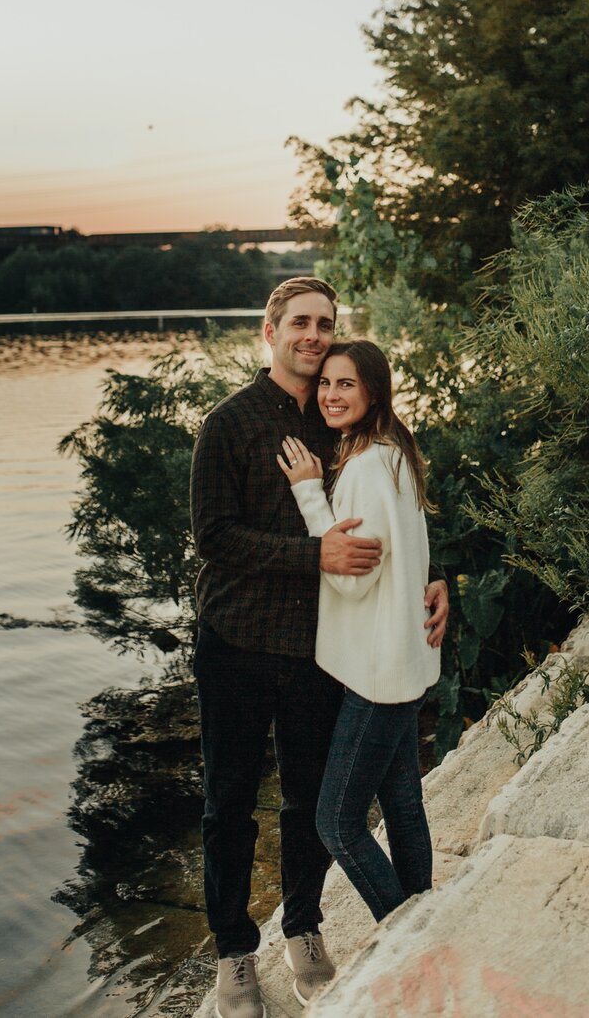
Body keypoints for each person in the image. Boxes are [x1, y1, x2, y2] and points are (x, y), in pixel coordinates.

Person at [190, 280, 449, 1018]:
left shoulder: (344, 417)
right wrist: (316, 559)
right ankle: (235, 954)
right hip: (236, 642)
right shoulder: (229, 424)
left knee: (309, 803)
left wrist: (430, 580)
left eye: (325, 325)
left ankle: (302, 929)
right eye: (300, 323)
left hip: (318, 654)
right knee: (229, 804)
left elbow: (388, 517)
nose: (313, 335)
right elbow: (212, 538)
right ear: (269, 331)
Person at [276, 338, 441, 931]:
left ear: (372, 391)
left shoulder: (364, 470)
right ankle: (424, 919)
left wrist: (308, 494)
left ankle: (400, 932)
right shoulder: (396, 453)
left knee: (336, 823)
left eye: (345, 384)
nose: (330, 395)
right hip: (406, 665)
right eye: (325, 383)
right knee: (401, 803)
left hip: (376, 679)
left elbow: (350, 582)